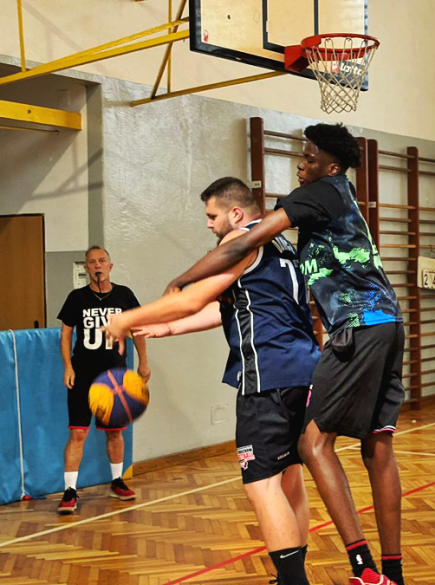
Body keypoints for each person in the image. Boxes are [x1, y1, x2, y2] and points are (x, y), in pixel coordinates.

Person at [159, 124, 405, 585]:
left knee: (312, 445)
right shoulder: (337, 200)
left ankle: (363, 569)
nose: (300, 163)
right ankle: (393, 574)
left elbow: (246, 241)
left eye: (308, 156)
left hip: (357, 327)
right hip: (389, 324)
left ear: (330, 166)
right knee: (377, 447)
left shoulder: (320, 193)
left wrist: (182, 280)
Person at [105, 177, 319, 585]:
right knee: (290, 478)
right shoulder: (281, 245)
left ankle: (293, 581)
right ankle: (293, 575)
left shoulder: (240, 240)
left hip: (268, 376)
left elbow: (193, 298)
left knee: (261, 485)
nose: (209, 224)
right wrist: (170, 329)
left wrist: (127, 318)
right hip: (305, 370)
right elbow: (236, 307)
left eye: (212, 215)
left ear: (236, 214)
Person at [57, 246, 151, 515]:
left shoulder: (124, 295)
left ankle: (117, 481)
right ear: (85, 269)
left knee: (114, 432)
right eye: (91, 263)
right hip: (83, 374)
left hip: (114, 377)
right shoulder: (76, 298)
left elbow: (139, 329)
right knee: (77, 432)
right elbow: (65, 335)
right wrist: (67, 367)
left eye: (102, 261)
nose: (97, 265)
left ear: (110, 266)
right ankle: (70, 491)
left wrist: (143, 362)